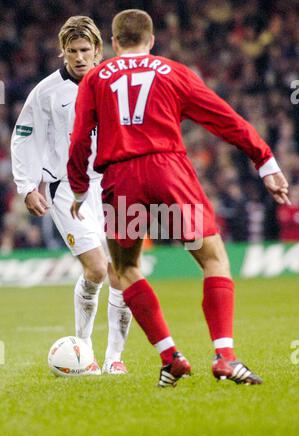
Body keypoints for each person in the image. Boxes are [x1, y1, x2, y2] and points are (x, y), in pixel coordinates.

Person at [67, 9, 290, 387]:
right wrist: (264, 160)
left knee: (123, 269)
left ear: (115, 41)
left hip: (122, 178)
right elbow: (224, 117)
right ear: (151, 40)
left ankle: (171, 357)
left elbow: (79, 139)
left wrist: (78, 187)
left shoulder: (95, 79)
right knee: (214, 258)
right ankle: (224, 357)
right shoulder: (172, 72)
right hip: (169, 171)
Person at [11, 16, 132, 375]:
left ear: (98, 50)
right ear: (63, 52)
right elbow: (24, 136)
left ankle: (114, 358)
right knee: (96, 268)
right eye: (72, 51)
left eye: (85, 50)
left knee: (121, 274)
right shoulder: (46, 91)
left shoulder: (115, 84)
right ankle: (85, 351)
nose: (80, 57)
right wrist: (27, 186)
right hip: (69, 188)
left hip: (113, 185)